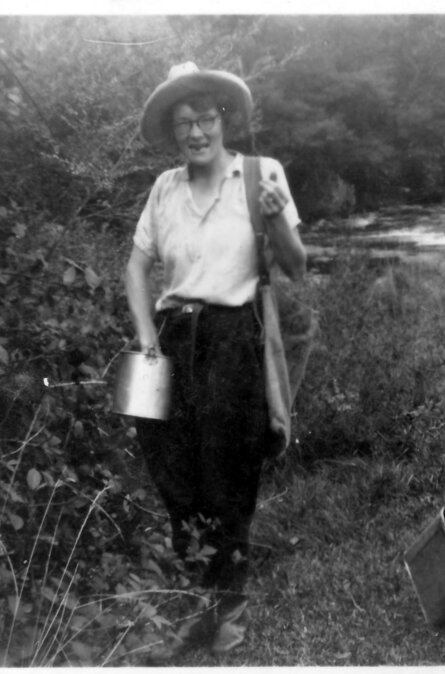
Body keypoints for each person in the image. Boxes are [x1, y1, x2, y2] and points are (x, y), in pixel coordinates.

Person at [125, 62, 307, 657]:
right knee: (172, 471)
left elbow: (296, 265)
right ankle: (200, 599)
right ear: (173, 131)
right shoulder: (164, 188)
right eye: (184, 123)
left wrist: (278, 214)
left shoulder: (261, 175)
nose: (196, 132)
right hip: (174, 341)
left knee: (227, 475)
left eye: (205, 119)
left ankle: (228, 610)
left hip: (234, 340)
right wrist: (147, 337)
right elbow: (136, 267)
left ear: (223, 119)